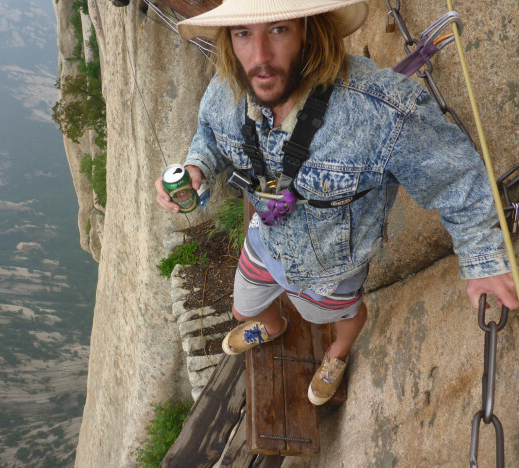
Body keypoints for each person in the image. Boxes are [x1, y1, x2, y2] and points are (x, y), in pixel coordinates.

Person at [154, 0, 518, 405]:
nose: (259, 57)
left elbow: (455, 176)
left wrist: (483, 259)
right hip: (265, 240)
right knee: (244, 308)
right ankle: (270, 327)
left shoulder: (380, 110)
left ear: (310, 30)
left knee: (337, 316)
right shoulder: (227, 90)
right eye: (242, 33)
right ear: (229, 39)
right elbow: (210, 134)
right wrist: (197, 167)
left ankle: (337, 354)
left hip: (334, 269)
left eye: (278, 29)